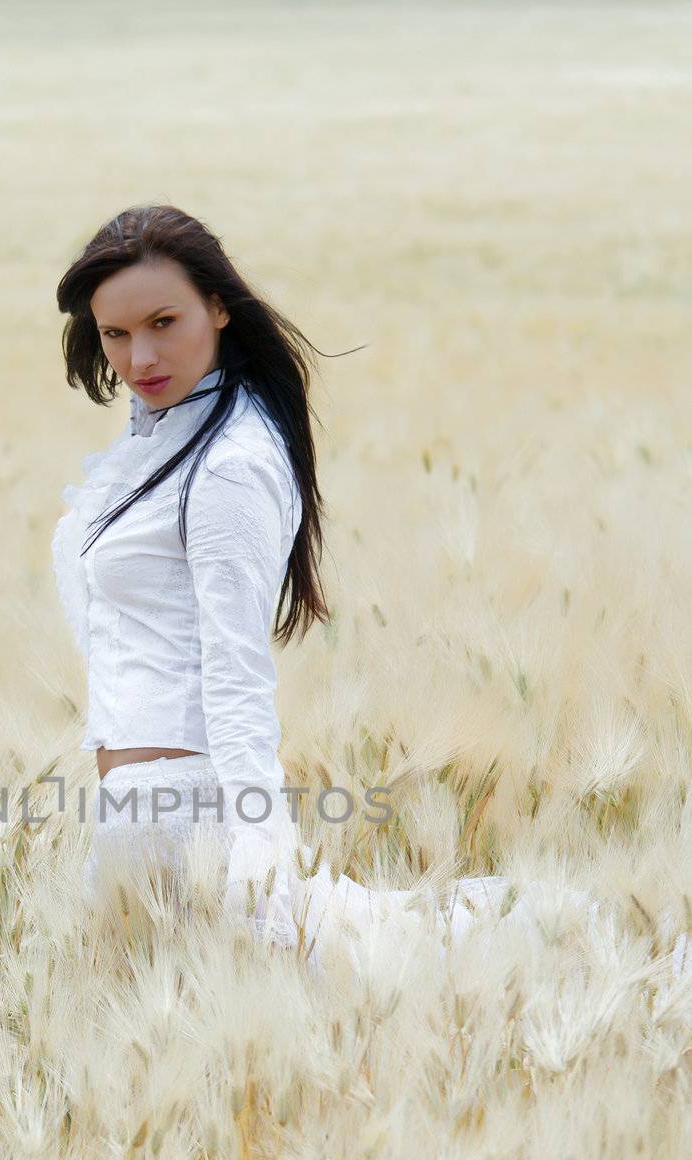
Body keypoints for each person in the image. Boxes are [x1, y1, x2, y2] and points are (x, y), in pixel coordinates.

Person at [50, 203, 690, 986]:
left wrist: (259, 853)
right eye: (115, 334)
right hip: (135, 815)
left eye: (162, 322)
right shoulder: (163, 435)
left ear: (218, 307)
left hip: (193, 819)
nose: (138, 355)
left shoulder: (225, 467)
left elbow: (236, 669)